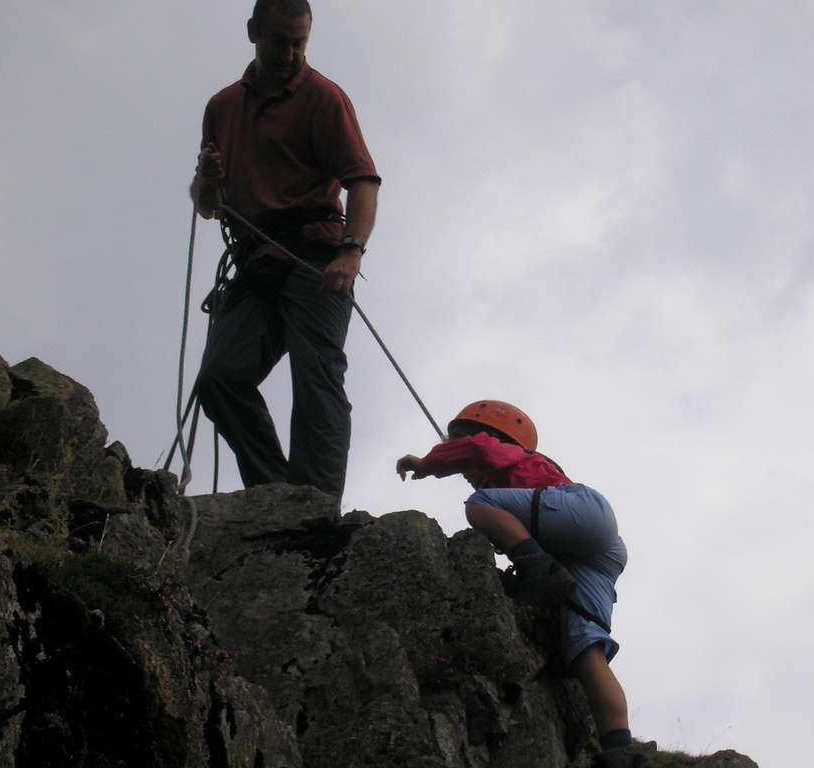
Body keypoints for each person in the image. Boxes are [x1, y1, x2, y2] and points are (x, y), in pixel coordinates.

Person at [190, 0, 380, 499]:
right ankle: (277, 496)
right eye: (281, 41)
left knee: (316, 376)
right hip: (256, 260)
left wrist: (352, 250)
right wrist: (205, 182)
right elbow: (209, 205)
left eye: (300, 42)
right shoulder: (223, 107)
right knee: (219, 377)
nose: (292, 53)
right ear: (254, 32)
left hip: (315, 255)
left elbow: (363, 182)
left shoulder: (323, 98)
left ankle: (313, 507)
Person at [396, 400, 650, 768]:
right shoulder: (526, 481)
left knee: (478, 503)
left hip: (580, 512)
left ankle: (540, 571)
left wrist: (428, 463)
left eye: (467, 467)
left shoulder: (504, 452)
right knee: (584, 651)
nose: (468, 472)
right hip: (596, 549)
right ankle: (620, 749)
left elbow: (475, 448)